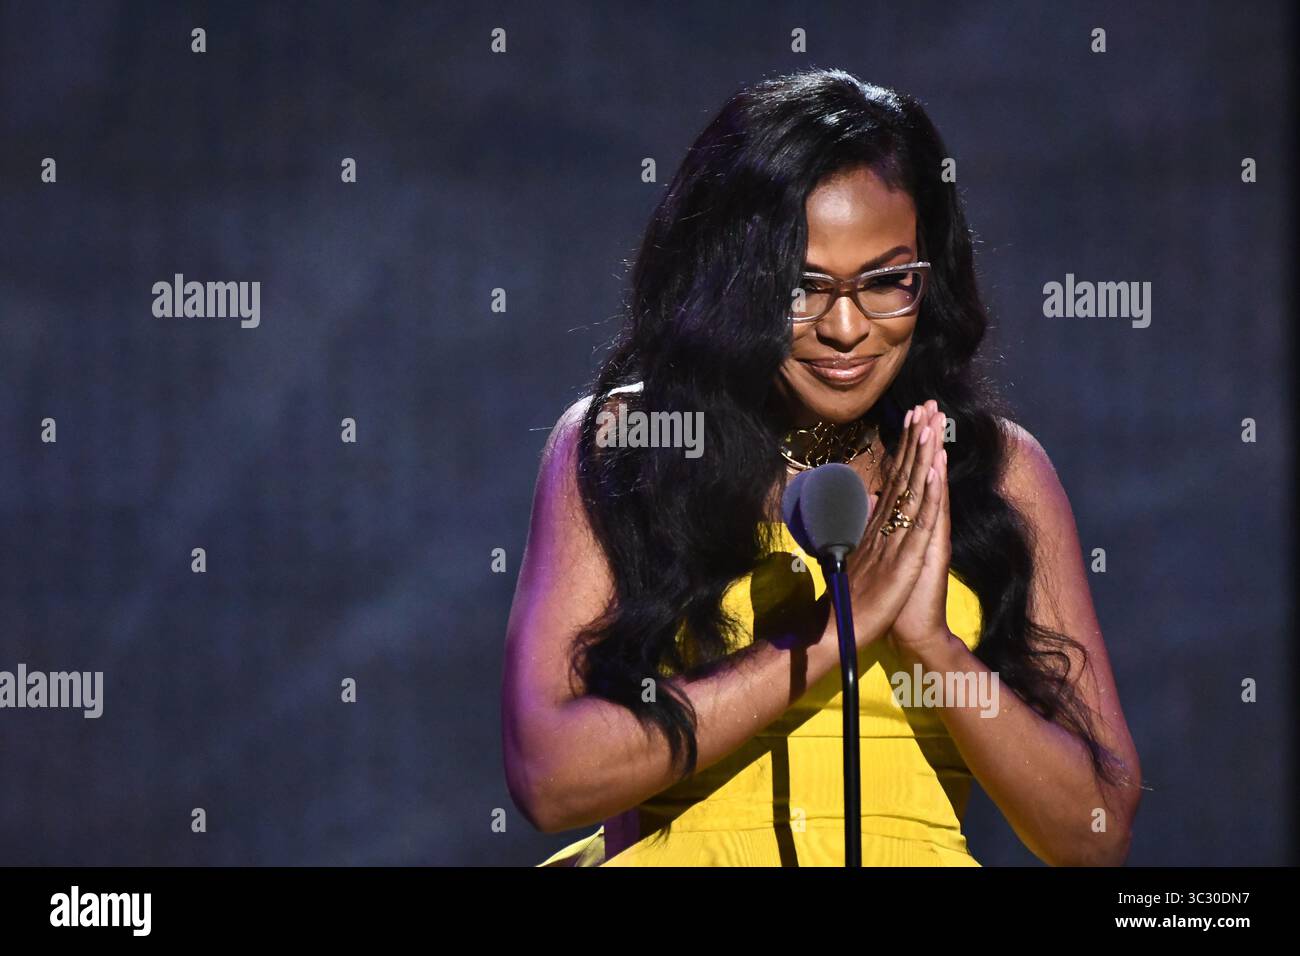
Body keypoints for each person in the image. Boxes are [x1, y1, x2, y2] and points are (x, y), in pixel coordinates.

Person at [501, 68, 1141, 866]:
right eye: (802, 287)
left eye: (886, 282)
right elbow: (550, 776)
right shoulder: (636, 442)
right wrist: (830, 634)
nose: (847, 328)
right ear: (733, 280)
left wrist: (934, 645)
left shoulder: (991, 472)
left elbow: (1096, 830)